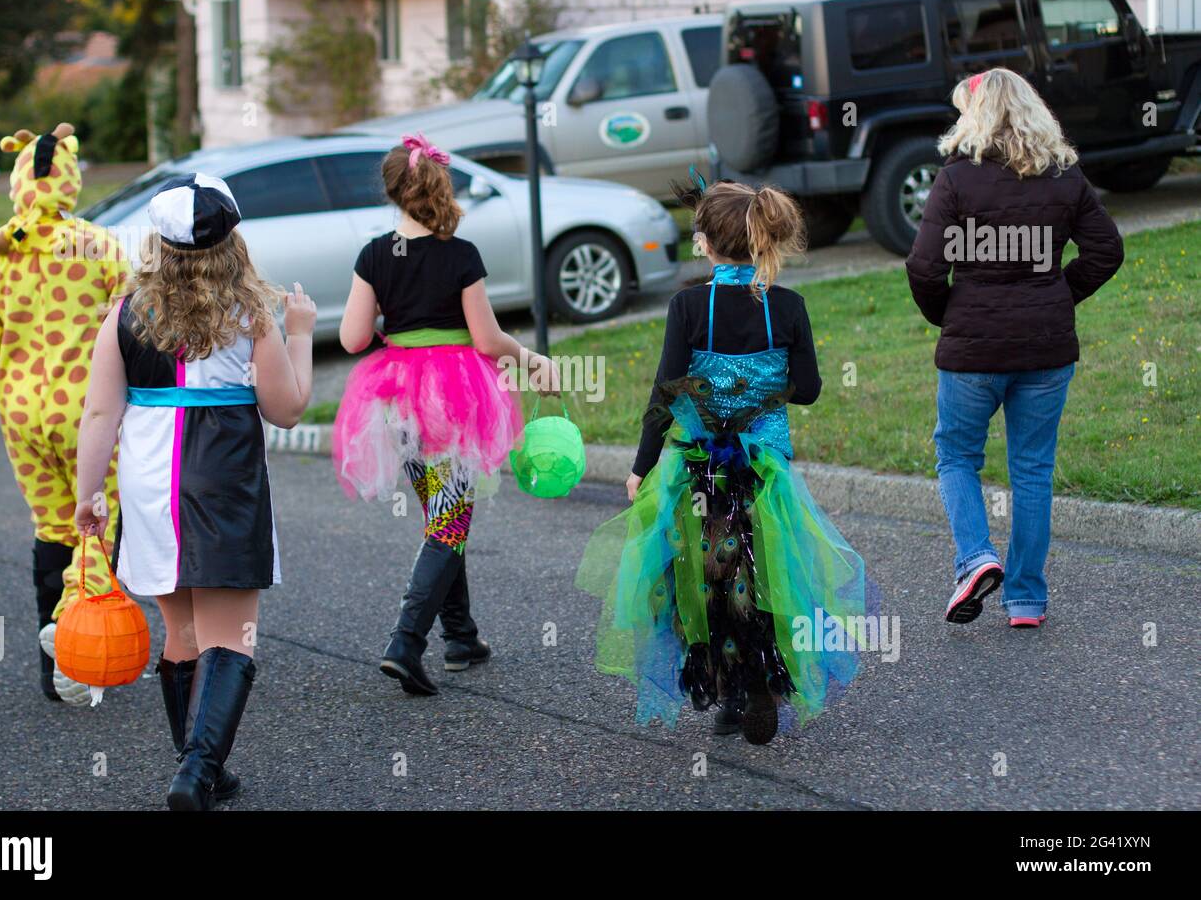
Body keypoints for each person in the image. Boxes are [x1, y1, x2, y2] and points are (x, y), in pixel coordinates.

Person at [575, 179, 869, 744]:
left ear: (707, 245)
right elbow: (806, 389)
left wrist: (641, 466)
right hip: (763, 469)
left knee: (704, 577)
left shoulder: (689, 305)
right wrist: (760, 387)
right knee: (767, 573)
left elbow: (666, 392)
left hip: (696, 469)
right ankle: (764, 679)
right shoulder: (787, 306)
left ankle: (732, 695)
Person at [73, 174, 314, 810]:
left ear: (160, 244)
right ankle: (198, 772)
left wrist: (86, 495)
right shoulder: (251, 317)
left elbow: (99, 415)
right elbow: (286, 410)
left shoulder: (125, 315)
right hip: (224, 483)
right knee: (232, 635)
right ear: (232, 241)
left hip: (151, 488)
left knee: (180, 630)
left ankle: (197, 762)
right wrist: (302, 333)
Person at [334, 133, 557, 697]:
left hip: (396, 399)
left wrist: (399, 327)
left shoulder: (374, 255)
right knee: (449, 519)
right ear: (437, 185)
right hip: (454, 398)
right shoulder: (461, 254)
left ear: (392, 192)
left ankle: (460, 636)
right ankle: (406, 643)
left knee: (442, 513)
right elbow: (485, 338)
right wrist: (529, 358)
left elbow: (354, 337)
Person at [906, 68, 1124, 629]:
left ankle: (976, 558)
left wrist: (947, 316)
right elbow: (1107, 250)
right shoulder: (1064, 177)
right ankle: (1025, 598)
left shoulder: (955, 179)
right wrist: (1058, 295)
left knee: (956, 456)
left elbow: (925, 267)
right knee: (1032, 470)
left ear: (975, 116)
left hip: (972, 354)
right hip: (1046, 351)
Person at [0, 123, 127, 704]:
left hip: (23, 415)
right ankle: (86, 650)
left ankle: (53, 658)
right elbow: (134, 323)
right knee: (98, 520)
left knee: (52, 529)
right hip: (88, 412)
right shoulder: (98, 244)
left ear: (19, 178)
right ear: (70, 178)